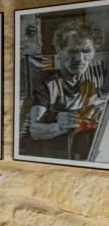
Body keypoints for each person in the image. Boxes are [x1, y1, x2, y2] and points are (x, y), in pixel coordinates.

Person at [27, 18, 107, 160]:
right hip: (55, 156)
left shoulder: (100, 70)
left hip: (93, 155)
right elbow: (34, 130)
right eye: (73, 51)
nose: (80, 59)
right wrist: (57, 127)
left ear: (94, 52)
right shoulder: (47, 84)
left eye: (86, 51)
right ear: (60, 50)